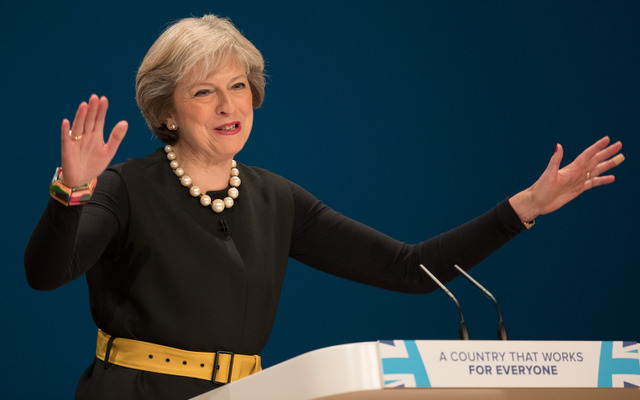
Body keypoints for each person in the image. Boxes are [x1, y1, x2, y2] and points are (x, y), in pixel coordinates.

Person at [24, 14, 624, 400]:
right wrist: (70, 192)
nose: (228, 104)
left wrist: (524, 207)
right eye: (203, 91)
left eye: (238, 86)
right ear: (167, 111)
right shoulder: (125, 187)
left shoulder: (275, 198)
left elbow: (408, 270)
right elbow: (45, 275)